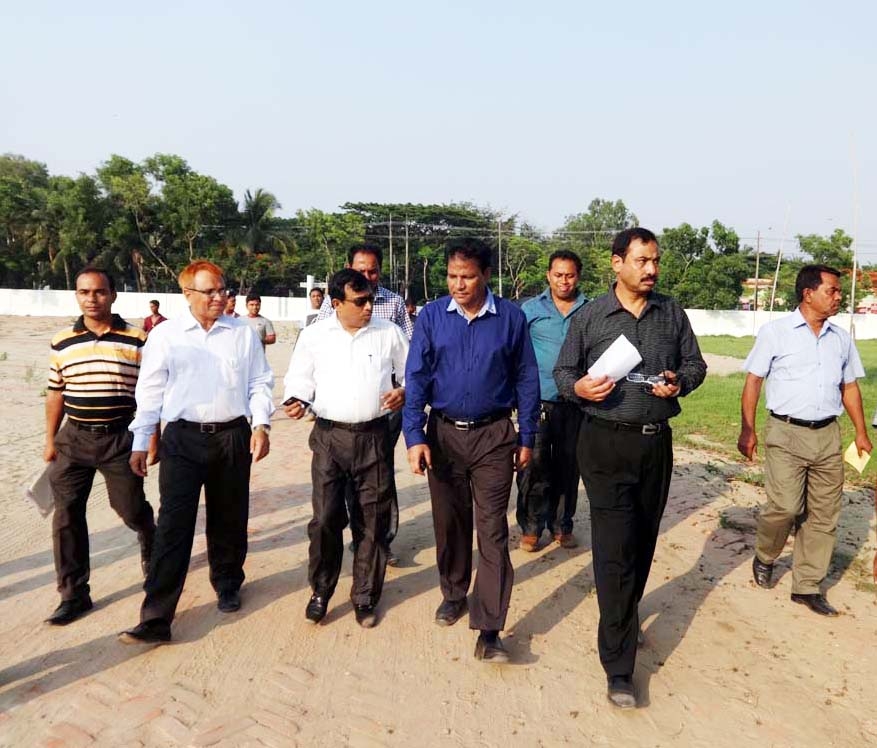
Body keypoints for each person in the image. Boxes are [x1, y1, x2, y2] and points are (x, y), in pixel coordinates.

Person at [554, 227, 707, 708]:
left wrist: (678, 382)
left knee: (641, 542)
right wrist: (579, 389)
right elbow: (563, 372)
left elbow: (696, 365)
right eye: (642, 261)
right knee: (614, 548)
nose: (652, 269)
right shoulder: (591, 316)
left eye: (655, 261)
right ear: (616, 263)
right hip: (603, 444)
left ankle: (623, 611)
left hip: (655, 446)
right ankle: (618, 666)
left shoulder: (672, 313)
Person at [119, 260, 274, 644]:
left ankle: (227, 582)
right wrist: (142, 441)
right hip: (182, 440)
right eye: (211, 291)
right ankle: (156, 617)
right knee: (173, 525)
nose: (220, 297)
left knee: (229, 516)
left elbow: (260, 381)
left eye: (223, 289)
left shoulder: (241, 334)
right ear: (187, 294)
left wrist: (261, 425)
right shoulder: (167, 336)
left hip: (232, 436)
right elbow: (150, 392)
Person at [404, 237, 540, 663]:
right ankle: (453, 591)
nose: (458, 284)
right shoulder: (431, 317)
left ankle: (490, 628)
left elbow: (526, 379)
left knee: (493, 531)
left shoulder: (511, 319)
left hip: (494, 437)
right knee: (450, 522)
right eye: (452, 276)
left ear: (486, 276)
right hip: (442, 435)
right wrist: (414, 437)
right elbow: (417, 378)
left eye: (467, 276)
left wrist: (527, 436)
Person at [738, 264, 871, 617]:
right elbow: (753, 381)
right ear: (808, 293)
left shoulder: (841, 338)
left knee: (824, 514)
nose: (839, 296)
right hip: (785, 431)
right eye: (833, 290)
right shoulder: (775, 333)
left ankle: (807, 585)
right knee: (784, 506)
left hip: (828, 434)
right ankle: (766, 554)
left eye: (839, 291)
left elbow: (850, 387)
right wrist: (747, 428)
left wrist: (860, 432)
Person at [283, 268, 409, 628]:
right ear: (336, 303)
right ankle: (321, 590)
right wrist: (295, 398)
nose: (369, 306)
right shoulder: (315, 336)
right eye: (360, 301)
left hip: (374, 437)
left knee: (372, 520)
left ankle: (366, 596)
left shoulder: (389, 334)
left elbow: (413, 371)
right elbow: (298, 378)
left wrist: (403, 391)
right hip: (328, 438)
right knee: (325, 519)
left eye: (370, 298)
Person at [43, 267, 156, 625]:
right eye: (84, 292)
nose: (92, 299)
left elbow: (151, 394)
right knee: (66, 516)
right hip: (73, 439)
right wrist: (50, 439)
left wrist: (153, 437)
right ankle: (74, 594)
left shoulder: (137, 340)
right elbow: (55, 391)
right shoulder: (62, 341)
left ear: (113, 294)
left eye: (99, 292)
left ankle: (150, 544)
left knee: (130, 509)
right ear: (76, 295)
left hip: (120, 438)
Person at [317, 244, 414, 565]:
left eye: (373, 271)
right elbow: (316, 347)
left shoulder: (394, 304)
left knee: (380, 473)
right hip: (342, 412)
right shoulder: (333, 306)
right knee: (346, 475)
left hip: (384, 410)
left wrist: (402, 391)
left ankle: (381, 539)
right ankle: (360, 535)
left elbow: (409, 355)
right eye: (361, 270)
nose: (367, 277)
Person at [517, 250, 587, 552]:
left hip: (576, 401)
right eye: (558, 275)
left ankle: (562, 525)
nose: (564, 281)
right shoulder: (530, 309)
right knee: (535, 466)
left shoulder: (590, 310)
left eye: (569, 275)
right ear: (548, 275)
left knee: (569, 467)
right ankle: (531, 527)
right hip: (538, 401)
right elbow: (515, 352)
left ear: (578, 277)